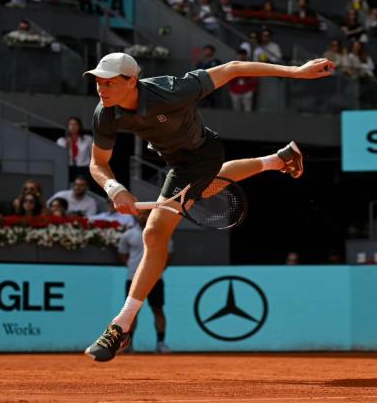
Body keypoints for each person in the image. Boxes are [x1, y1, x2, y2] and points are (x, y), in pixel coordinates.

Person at [82, 51, 334, 362]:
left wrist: (296, 71)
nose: (101, 88)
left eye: (109, 82)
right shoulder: (105, 113)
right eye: (98, 82)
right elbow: (98, 163)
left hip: (202, 154)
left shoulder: (171, 91)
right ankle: (279, 160)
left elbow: (233, 68)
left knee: (155, 233)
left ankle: (120, 326)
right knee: (209, 188)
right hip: (175, 161)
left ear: (132, 81)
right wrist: (115, 188)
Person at [117, 210, 173, 354]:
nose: (144, 217)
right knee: (131, 313)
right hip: (132, 279)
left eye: (147, 214)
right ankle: (128, 345)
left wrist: (155, 271)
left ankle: (161, 344)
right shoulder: (128, 234)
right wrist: (133, 269)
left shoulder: (162, 234)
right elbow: (122, 254)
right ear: (137, 216)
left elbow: (168, 255)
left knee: (158, 310)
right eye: (141, 214)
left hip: (156, 280)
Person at [56, 116, 93, 182]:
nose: (73, 126)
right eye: (70, 124)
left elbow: (92, 155)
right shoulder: (61, 141)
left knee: (82, 185)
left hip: (83, 168)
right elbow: (59, 157)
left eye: (75, 124)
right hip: (67, 167)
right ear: (67, 127)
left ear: (80, 126)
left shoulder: (88, 139)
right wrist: (66, 145)